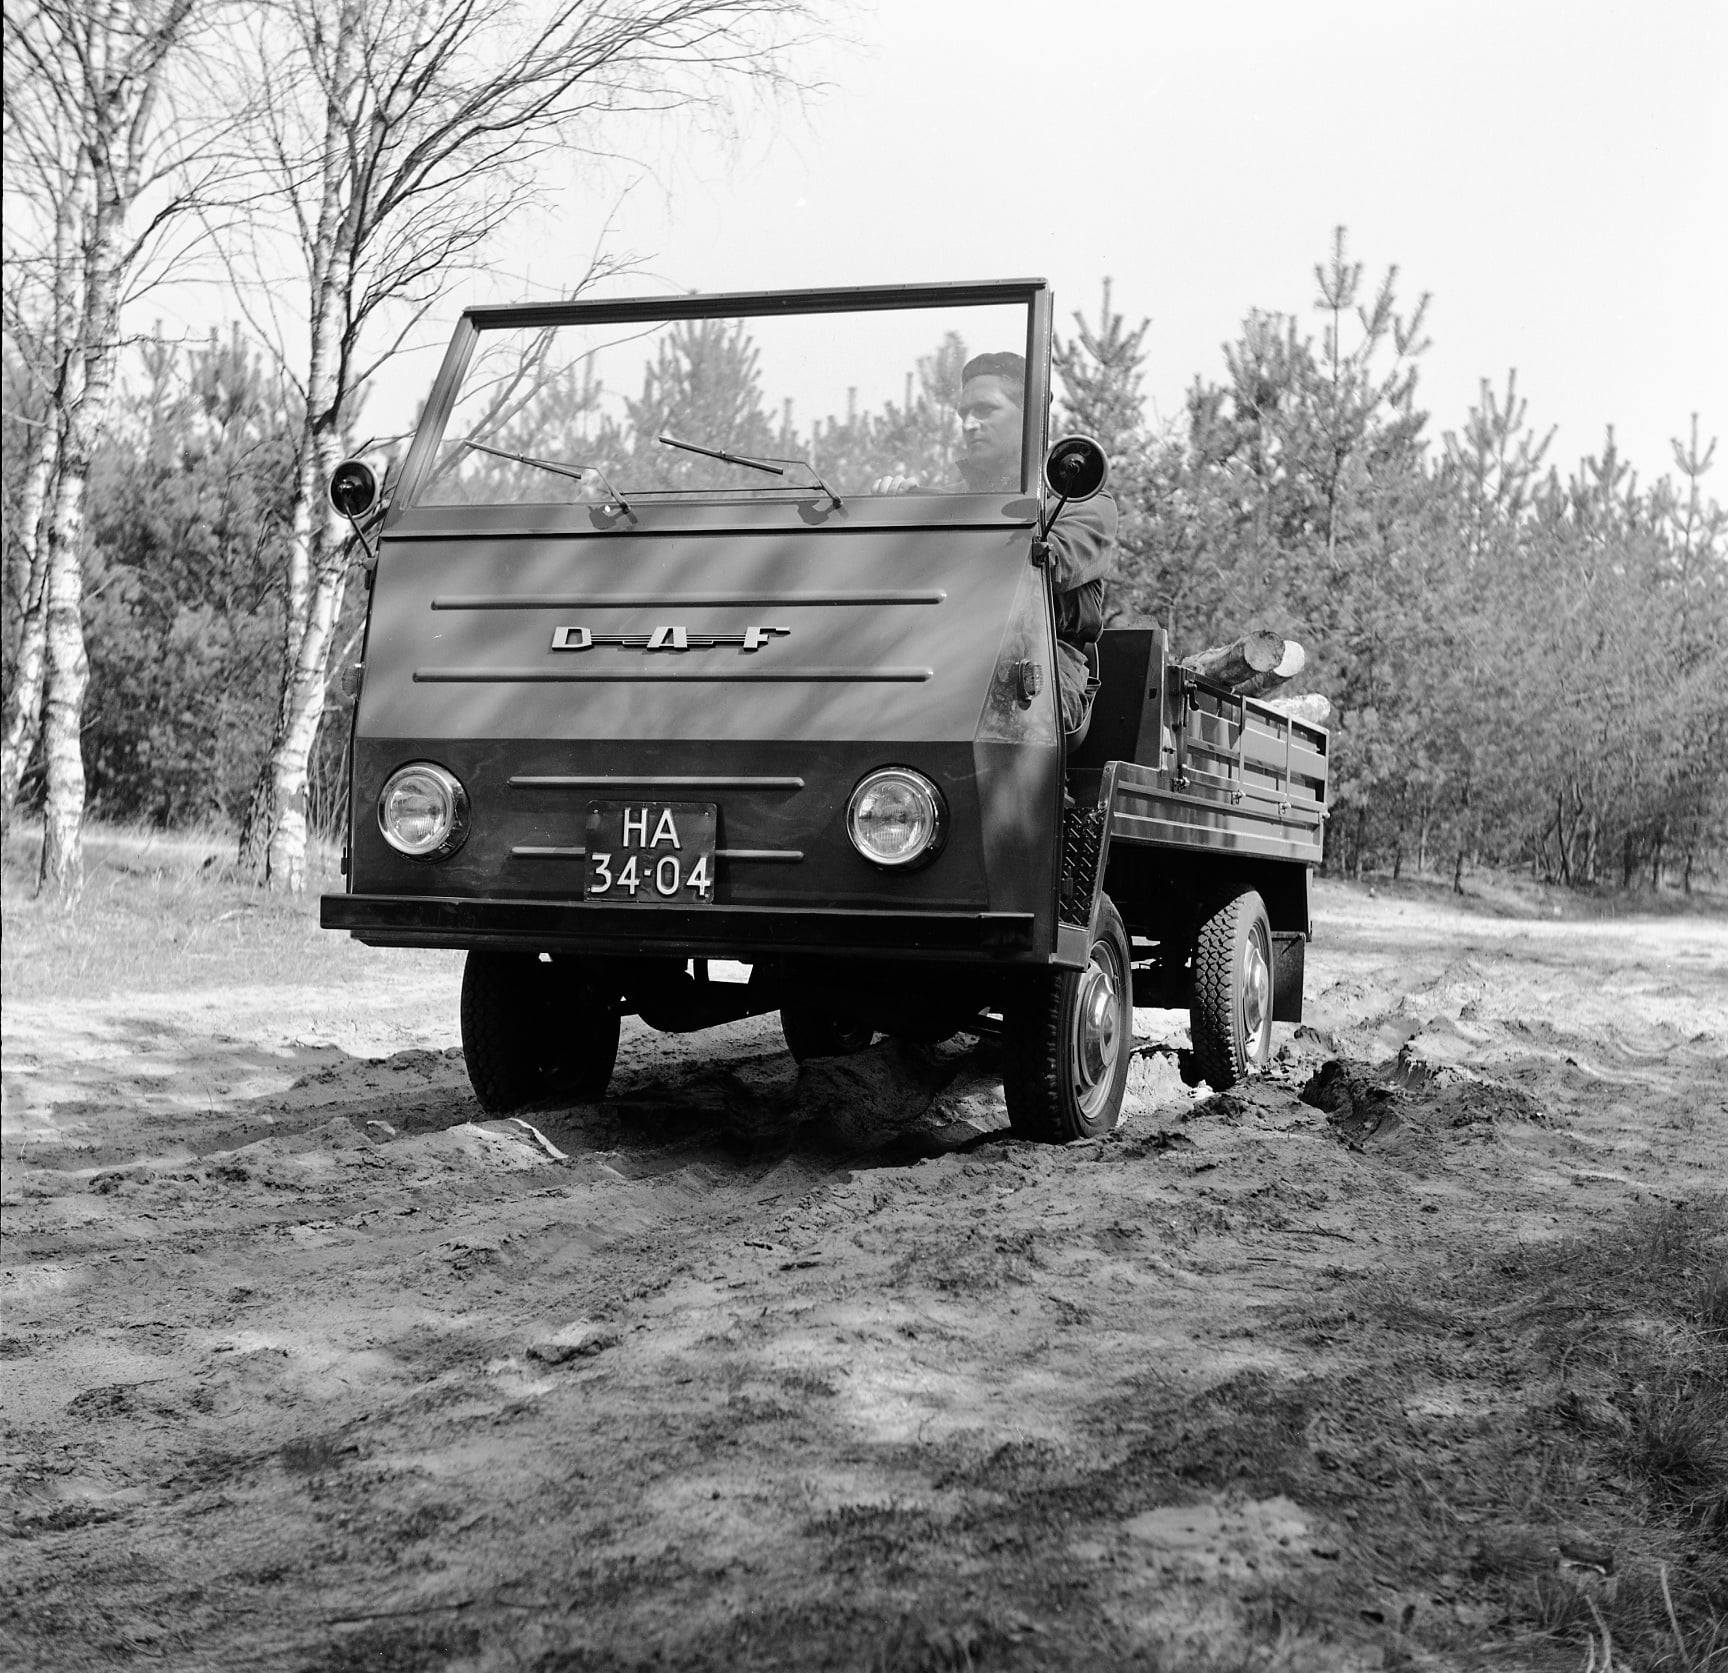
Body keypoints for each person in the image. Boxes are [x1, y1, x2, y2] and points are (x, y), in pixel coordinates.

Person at [872, 352, 1115, 734]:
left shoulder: (1081, 504)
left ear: (1029, 418)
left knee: (998, 715)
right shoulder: (945, 502)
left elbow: (1043, 566)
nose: (969, 424)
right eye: (963, 414)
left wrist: (937, 516)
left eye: (985, 410)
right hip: (947, 657)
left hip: (1043, 664)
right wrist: (897, 514)